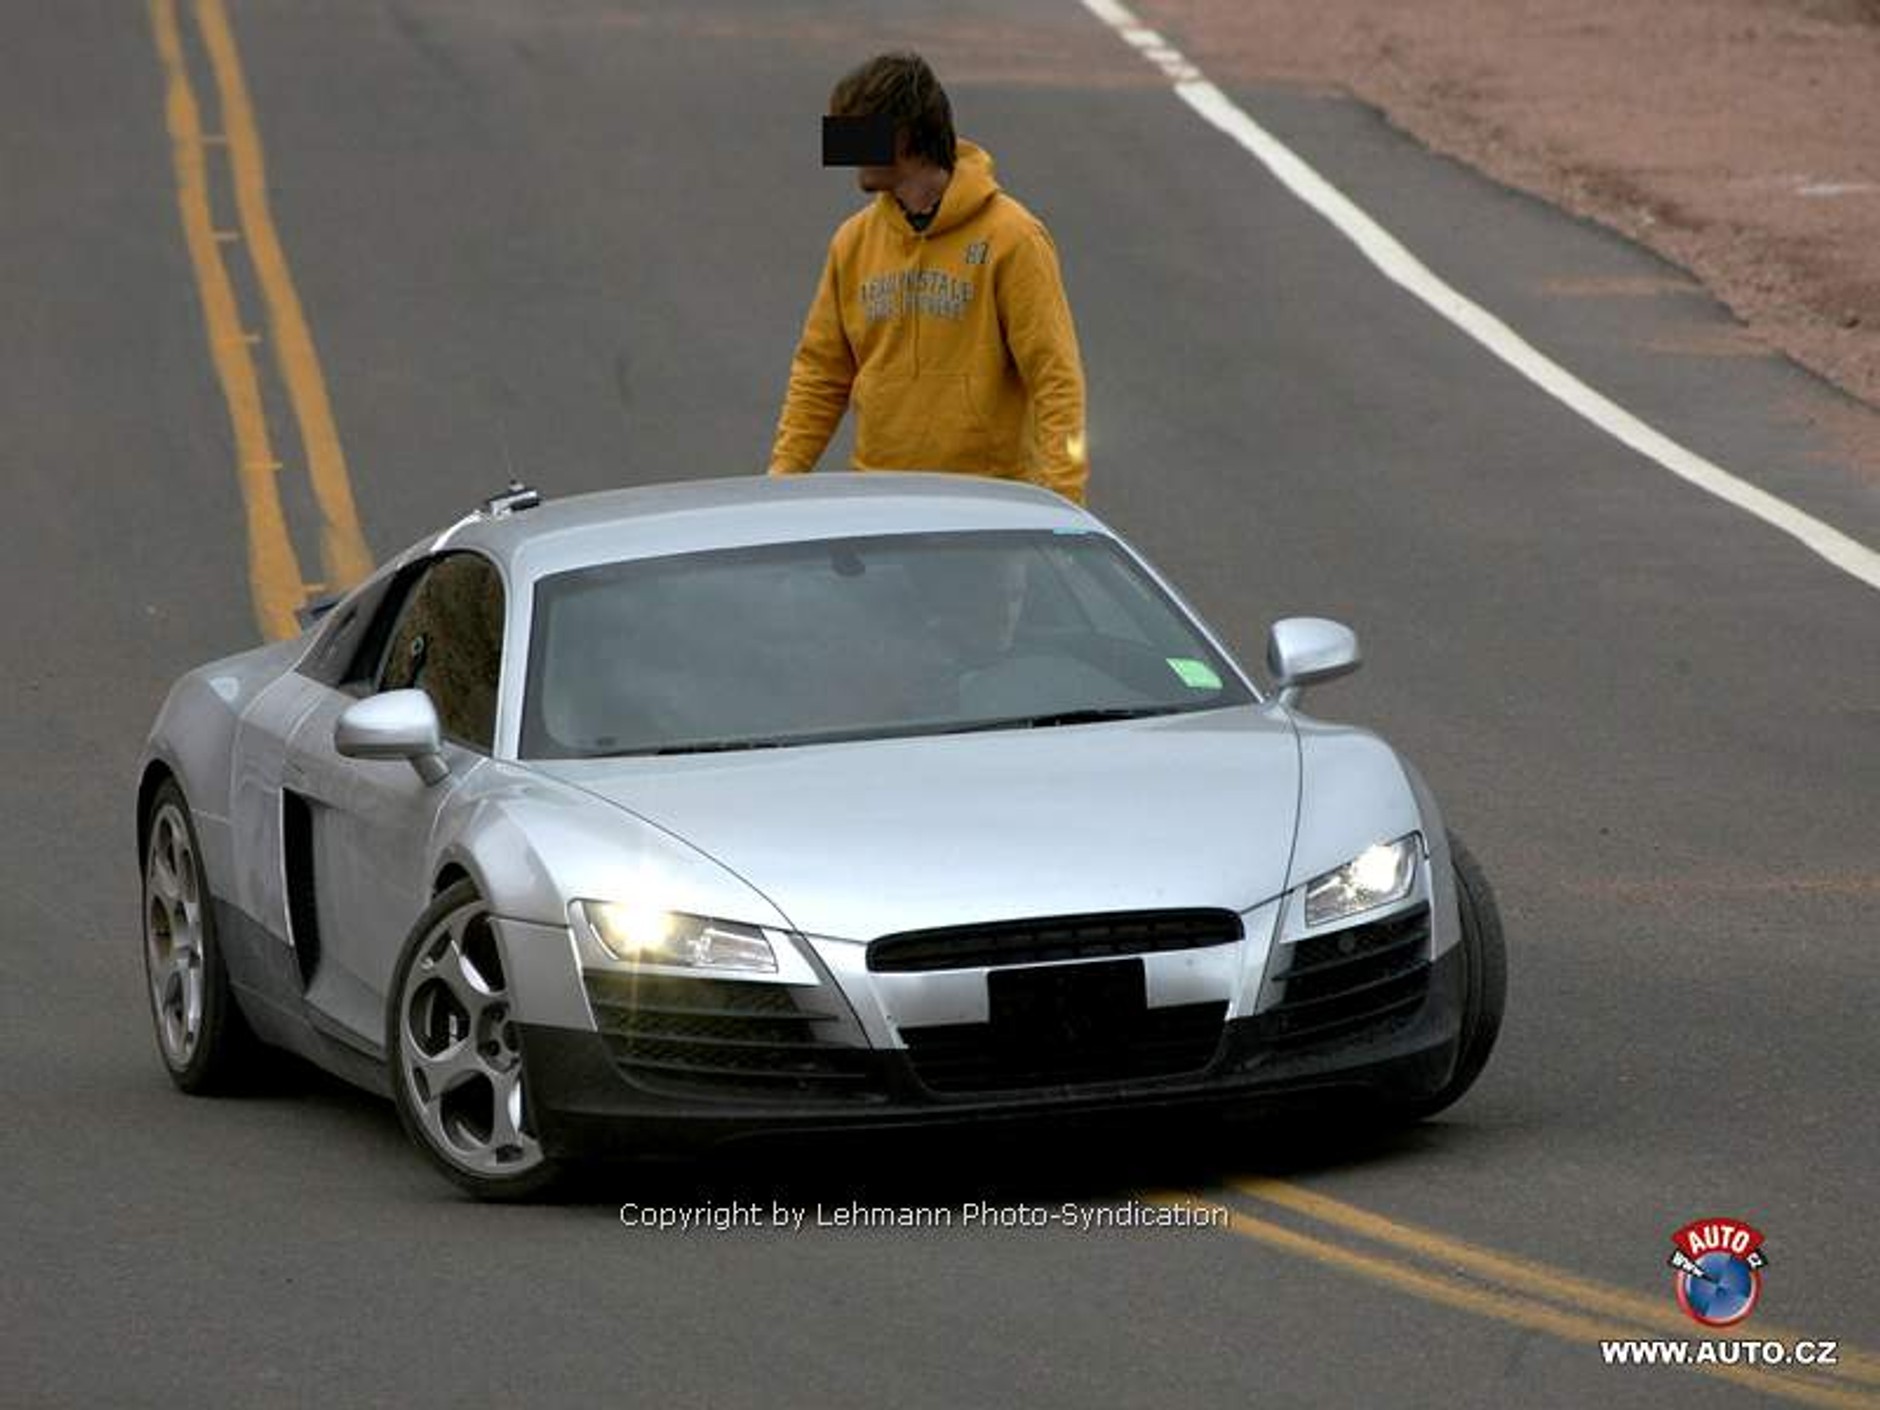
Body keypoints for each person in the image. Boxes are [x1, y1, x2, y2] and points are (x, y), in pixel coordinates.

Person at [768, 52, 1090, 504]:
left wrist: (1065, 501)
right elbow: (820, 374)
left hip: (985, 508)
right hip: (880, 503)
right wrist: (781, 481)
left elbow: (1057, 381)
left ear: (904, 137)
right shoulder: (853, 242)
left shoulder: (1012, 238)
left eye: (855, 132)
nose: (843, 153)